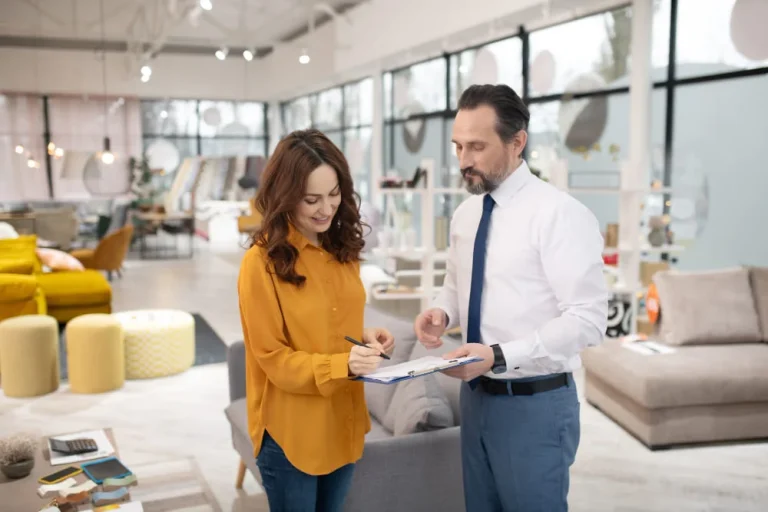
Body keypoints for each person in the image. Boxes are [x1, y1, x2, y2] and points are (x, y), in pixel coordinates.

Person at [414, 84, 609, 512]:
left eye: (477, 147)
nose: (464, 160)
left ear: (517, 141)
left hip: (535, 407)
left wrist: (499, 355)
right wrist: (441, 311)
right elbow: (456, 281)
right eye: (458, 146)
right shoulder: (467, 213)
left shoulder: (559, 214)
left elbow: (589, 319)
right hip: (476, 399)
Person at [238, 129, 395, 512]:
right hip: (292, 435)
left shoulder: (342, 249)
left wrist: (363, 336)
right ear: (284, 194)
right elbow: (273, 358)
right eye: (311, 199)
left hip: (342, 423)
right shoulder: (261, 264)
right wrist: (344, 364)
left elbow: (325, 322)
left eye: (334, 194)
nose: (326, 208)